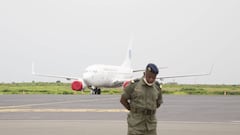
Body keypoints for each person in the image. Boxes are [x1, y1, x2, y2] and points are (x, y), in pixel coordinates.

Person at [120, 63, 163, 135]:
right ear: (144, 73)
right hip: (136, 124)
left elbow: (158, 103)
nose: (151, 79)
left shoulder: (157, 87)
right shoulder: (134, 85)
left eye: (153, 78)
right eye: (149, 77)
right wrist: (133, 109)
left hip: (151, 125)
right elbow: (123, 100)